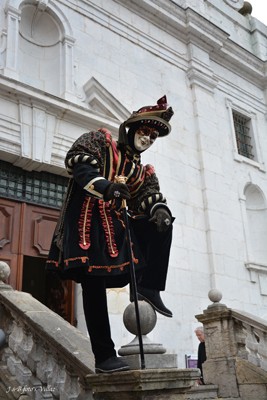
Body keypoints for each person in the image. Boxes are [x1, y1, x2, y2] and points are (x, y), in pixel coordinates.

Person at [46, 95, 174, 373]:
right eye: (145, 131)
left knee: (164, 221)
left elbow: (147, 197)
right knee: (93, 284)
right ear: (130, 129)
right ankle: (104, 356)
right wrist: (107, 187)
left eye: (153, 136)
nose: (148, 138)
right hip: (88, 226)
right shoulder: (99, 142)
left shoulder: (141, 171)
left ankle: (149, 286)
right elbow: (79, 168)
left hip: (118, 229)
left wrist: (158, 211)